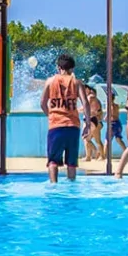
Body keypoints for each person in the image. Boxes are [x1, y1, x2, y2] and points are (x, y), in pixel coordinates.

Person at [41, 54, 83, 183]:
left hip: (56, 125)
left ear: (59, 67)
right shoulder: (76, 82)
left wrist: (51, 115)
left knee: (53, 161)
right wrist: (87, 123)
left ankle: (53, 186)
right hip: (73, 126)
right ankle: (71, 187)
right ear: (72, 68)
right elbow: (85, 103)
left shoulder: (50, 81)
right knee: (71, 163)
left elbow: (42, 103)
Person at [80, 83, 103, 162]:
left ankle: (96, 152)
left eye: (85, 89)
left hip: (91, 119)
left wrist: (74, 110)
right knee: (87, 138)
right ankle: (88, 156)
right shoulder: (92, 98)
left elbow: (86, 107)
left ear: (89, 89)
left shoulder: (90, 97)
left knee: (85, 137)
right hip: (91, 119)